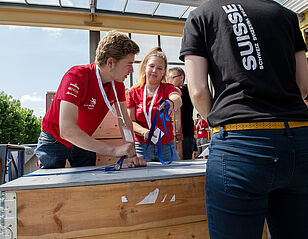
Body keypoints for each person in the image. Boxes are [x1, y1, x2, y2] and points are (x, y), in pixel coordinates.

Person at [180, 1, 308, 239]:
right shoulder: (286, 15)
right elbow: (303, 84)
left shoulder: (201, 15)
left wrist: (217, 124)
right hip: (297, 140)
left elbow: (197, 91)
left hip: (240, 143)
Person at [35, 31, 146, 169]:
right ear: (110, 62)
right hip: (55, 139)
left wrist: (132, 156)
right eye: (129, 64)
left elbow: (124, 121)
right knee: (49, 184)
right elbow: (67, 130)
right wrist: (112, 150)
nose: (132, 70)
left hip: (84, 139)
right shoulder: (76, 76)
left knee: (88, 182)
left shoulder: (117, 84)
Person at [126, 47, 182, 162]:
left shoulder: (167, 88)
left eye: (159, 68)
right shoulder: (133, 92)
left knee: (174, 176)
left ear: (163, 72)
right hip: (142, 147)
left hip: (167, 146)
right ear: (145, 67)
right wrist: (144, 132)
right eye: (151, 66)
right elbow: (131, 121)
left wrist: (171, 102)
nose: (154, 71)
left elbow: (177, 98)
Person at [168, 67, 195, 159]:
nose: (169, 81)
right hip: (176, 135)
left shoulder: (185, 89)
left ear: (181, 78)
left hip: (185, 135)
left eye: (172, 78)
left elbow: (176, 91)